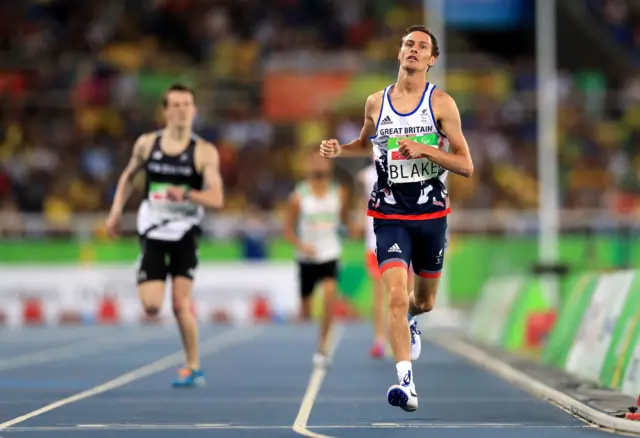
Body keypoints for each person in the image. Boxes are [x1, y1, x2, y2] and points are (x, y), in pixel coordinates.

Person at [320, 25, 473, 412]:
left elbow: (465, 164)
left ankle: (412, 316)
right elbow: (364, 141)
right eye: (409, 44)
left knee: (423, 302)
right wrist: (340, 150)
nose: (414, 50)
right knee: (392, 294)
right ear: (399, 52)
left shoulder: (442, 104)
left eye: (422, 47)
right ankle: (406, 384)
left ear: (431, 59)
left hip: (431, 214)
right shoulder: (376, 102)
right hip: (388, 213)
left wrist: (424, 149)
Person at [106, 84, 224, 388]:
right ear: (165, 111)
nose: (182, 110)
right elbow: (128, 177)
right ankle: (146, 266)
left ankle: (193, 367)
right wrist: (116, 211)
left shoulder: (203, 152)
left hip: (185, 232)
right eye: (175, 104)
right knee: (151, 307)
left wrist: (186, 193)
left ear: (194, 111)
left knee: (179, 304)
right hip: (154, 230)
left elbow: (217, 199)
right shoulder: (147, 144)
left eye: (187, 104)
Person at [283, 147, 351, 367]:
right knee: (306, 311)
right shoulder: (297, 196)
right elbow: (287, 230)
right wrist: (302, 246)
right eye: (314, 161)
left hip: (330, 252)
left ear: (330, 164)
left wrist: (351, 229)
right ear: (308, 166)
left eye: (323, 161)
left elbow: (343, 222)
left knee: (330, 294)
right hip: (307, 257)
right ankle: (308, 315)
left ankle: (323, 347)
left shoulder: (339, 192)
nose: (319, 165)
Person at [356, 162, 414, 359]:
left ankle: (402, 335)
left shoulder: (404, 169)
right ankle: (379, 338)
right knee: (379, 294)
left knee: (403, 293)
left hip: (402, 236)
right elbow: (360, 203)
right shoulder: (365, 176)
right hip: (375, 240)